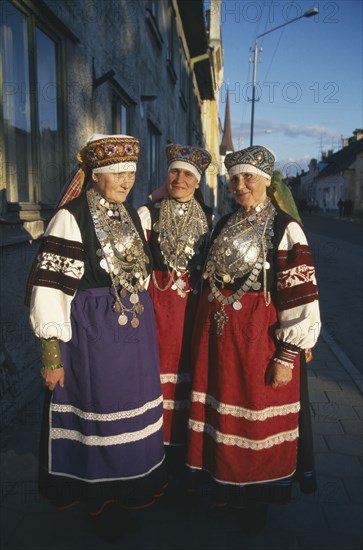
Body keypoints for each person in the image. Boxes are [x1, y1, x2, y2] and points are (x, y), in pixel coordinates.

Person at [25, 134, 167, 543]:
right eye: (118, 173)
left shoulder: (126, 215)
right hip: (93, 339)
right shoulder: (71, 218)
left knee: (129, 412)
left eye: (132, 173)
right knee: (99, 416)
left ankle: (127, 490)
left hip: (133, 342)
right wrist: (51, 354)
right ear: (98, 174)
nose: (126, 181)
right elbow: (50, 288)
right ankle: (100, 503)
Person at [186, 145, 321, 533]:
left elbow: (302, 294)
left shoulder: (285, 228)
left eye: (248, 178)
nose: (240, 185)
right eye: (234, 179)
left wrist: (287, 354)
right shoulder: (225, 222)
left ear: (266, 181)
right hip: (220, 339)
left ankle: (254, 498)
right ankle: (223, 484)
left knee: (253, 416)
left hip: (259, 339)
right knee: (222, 409)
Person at [138, 143, 213, 489]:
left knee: (191, 374)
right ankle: (154, 456)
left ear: (198, 181)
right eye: (174, 172)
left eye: (187, 174)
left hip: (194, 309)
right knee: (155, 376)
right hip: (159, 307)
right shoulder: (147, 214)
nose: (179, 179)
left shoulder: (212, 218)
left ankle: (188, 457)